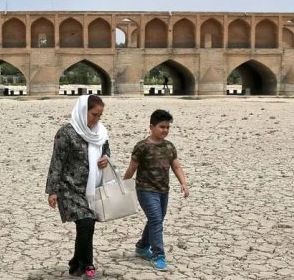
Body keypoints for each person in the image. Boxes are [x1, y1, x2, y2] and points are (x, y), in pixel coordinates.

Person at [46, 95, 110, 279]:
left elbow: (106, 152)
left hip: (91, 188)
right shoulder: (66, 133)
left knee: (85, 225)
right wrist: (53, 190)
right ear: (83, 111)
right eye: (93, 114)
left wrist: (105, 159)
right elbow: (57, 162)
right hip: (69, 188)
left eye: (99, 116)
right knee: (86, 222)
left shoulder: (100, 132)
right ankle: (87, 264)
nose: (96, 119)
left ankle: (75, 264)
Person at [123, 109, 189, 271]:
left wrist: (183, 183)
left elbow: (176, 166)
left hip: (163, 190)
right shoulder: (142, 147)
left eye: (167, 127)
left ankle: (142, 246)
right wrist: (123, 185)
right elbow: (132, 169)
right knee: (156, 220)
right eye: (161, 127)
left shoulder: (169, 147)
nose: (165, 130)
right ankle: (158, 254)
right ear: (151, 127)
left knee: (156, 220)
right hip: (145, 190)